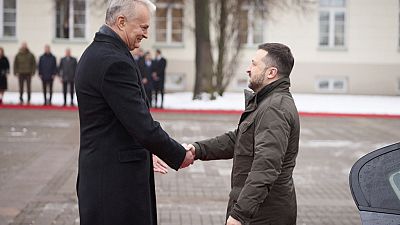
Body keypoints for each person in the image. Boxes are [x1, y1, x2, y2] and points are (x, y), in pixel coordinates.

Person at [74, 1, 194, 225]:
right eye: (144, 27)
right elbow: (142, 126)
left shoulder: (97, 52)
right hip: (115, 188)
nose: (146, 35)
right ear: (121, 22)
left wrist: (148, 153)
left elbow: (116, 124)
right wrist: (179, 155)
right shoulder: (113, 62)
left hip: (105, 180)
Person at [185, 43, 300, 225]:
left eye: (254, 64)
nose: (248, 69)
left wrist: (240, 214)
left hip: (263, 215)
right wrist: (198, 149)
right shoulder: (267, 103)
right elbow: (238, 139)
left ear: (271, 73)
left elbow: (266, 167)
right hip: (259, 212)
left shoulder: (274, 109)